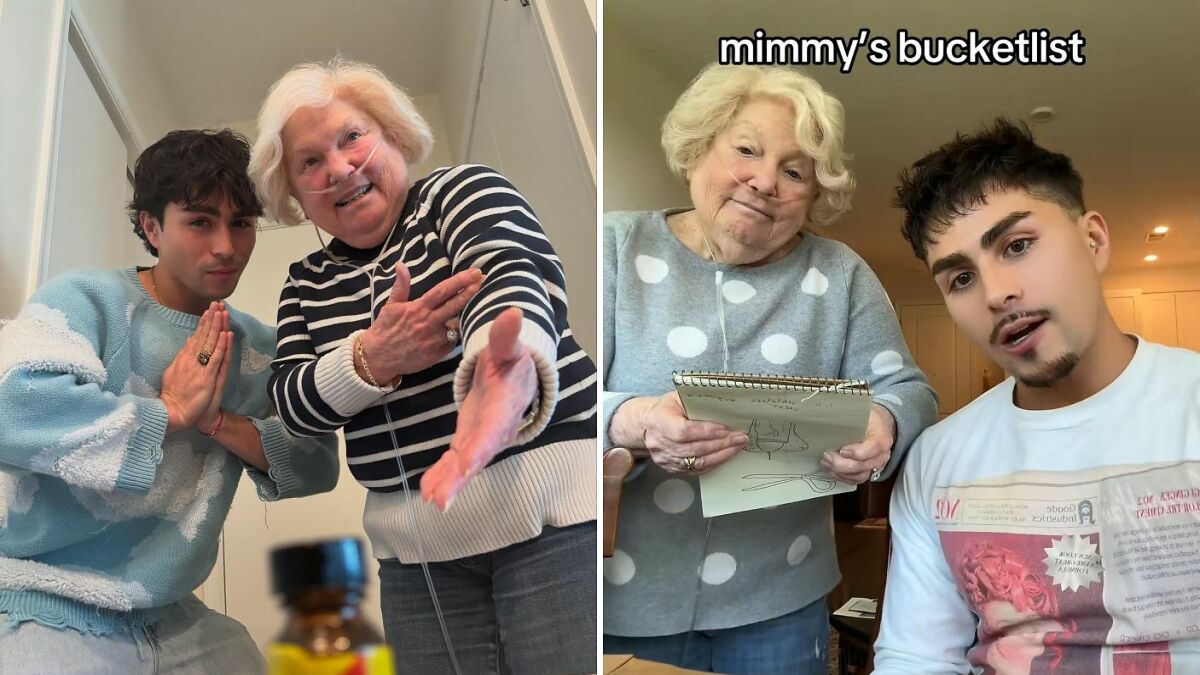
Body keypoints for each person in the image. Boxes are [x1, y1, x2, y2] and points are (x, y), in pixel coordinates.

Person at [249, 58, 596, 674]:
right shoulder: (305, 283)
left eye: (352, 136)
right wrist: (370, 359)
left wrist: (500, 369)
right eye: (310, 162)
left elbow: (512, 273)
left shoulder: (458, 191)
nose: (339, 168)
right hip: (418, 563)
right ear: (296, 195)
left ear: (393, 135)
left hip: (553, 525)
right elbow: (292, 404)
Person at [601, 63, 937, 674]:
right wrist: (636, 419)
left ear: (813, 195)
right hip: (622, 597)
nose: (764, 182)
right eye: (747, 151)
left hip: (782, 600)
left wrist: (882, 424)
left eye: (794, 172)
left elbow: (909, 389)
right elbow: (553, 396)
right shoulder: (617, 249)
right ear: (698, 149)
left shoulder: (839, 273)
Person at [0, 129, 340, 674]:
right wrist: (168, 415)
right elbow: (12, 411)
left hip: (174, 612)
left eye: (242, 223)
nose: (226, 246)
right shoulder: (86, 299)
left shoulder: (259, 348)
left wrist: (217, 422)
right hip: (44, 596)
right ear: (152, 227)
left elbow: (316, 463)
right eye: (200, 222)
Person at [873, 119, 1199, 673]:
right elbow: (916, 657)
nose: (997, 293)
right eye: (960, 279)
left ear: (1092, 241)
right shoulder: (936, 459)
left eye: (1017, 245)